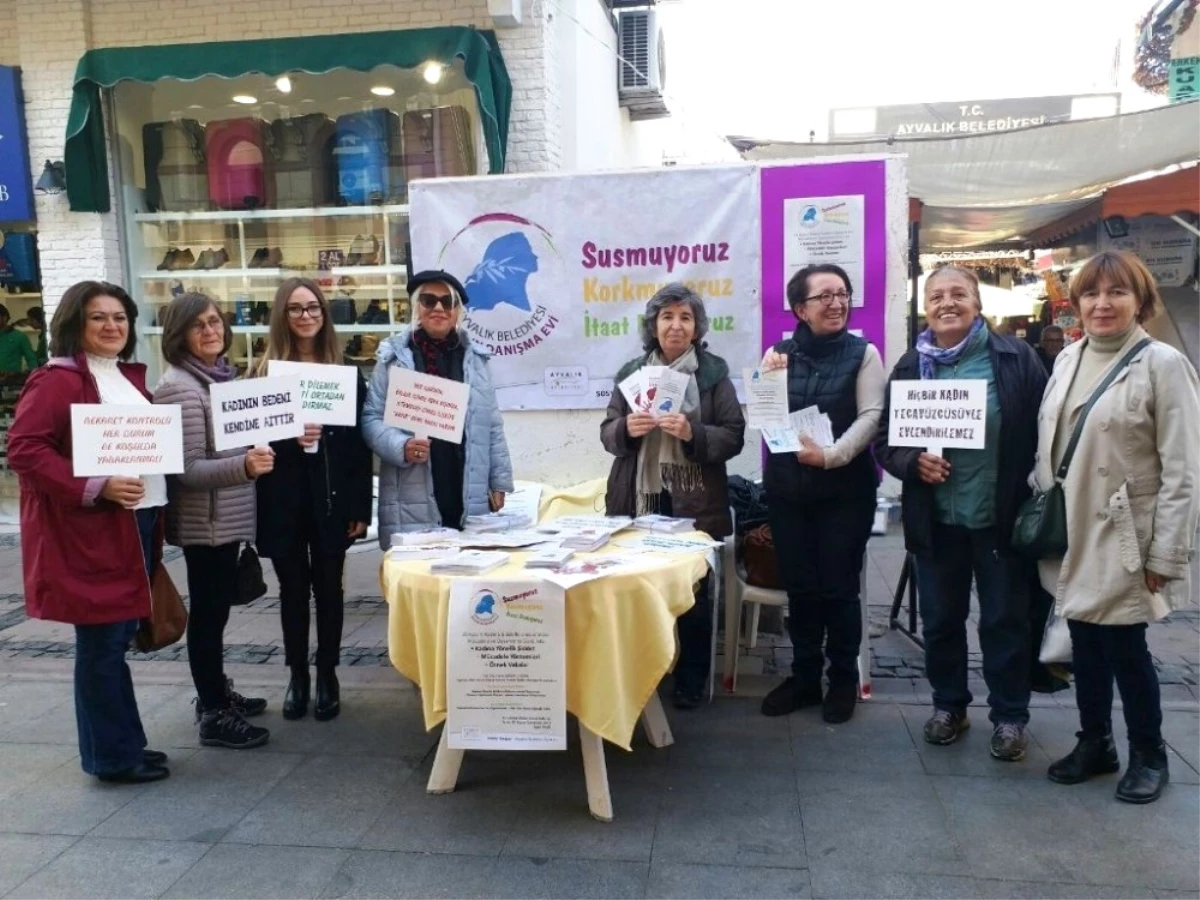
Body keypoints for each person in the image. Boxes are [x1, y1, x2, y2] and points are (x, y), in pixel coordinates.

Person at [1036, 251, 1200, 804]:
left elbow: (1184, 470)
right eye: (1090, 294)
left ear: (1140, 301)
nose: (1102, 304)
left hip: (1127, 535)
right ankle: (1095, 743)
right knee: (1083, 642)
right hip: (1073, 529)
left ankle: (1150, 754)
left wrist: (1167, 555)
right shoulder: (1067, 358)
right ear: (1076, 303)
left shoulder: (1163, 364)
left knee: (1126, 646)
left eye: (1116, 293)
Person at [875, 266, 1046, 761]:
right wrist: (913, 462)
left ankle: (1010, 715)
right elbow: (887, 443)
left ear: (977, 303)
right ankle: (949, 705)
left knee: (1003, 620)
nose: (946, 303)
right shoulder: (910, 365)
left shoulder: (1016, 359)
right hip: (937, 522)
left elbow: (1044, 429)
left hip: (998, 515)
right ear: (924, 306)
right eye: (936, 296)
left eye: (958, 294)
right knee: (941, 619)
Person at [8, 281, 170, 783]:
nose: (111, 326)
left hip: (134, 523)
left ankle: (125, 744)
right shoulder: (55, 382)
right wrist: (96, 485)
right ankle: (111, 758)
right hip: (94, 531)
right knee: (101, 646)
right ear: (75, 324)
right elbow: (25, 451)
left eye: (119, 317)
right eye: (98, 317)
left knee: (115, 640)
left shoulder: (126, 377)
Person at [600, 283, 745, 710]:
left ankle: (690, 680)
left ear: (697, 326)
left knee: (693, 593)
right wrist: (625, 429)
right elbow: (607, 431)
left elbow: (734, 435)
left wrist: (693, 433)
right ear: (654, 326)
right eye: (667, 317)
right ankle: (641, 671)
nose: (676, 326)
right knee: (635, 588)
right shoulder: (631, 373)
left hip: (694, 500)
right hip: (638, 496)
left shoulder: (713, 374)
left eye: (685, 317)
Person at [757, 264, 884, 723]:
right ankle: (805, 678)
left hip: (844, 492)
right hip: (789, 492)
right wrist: (767, 376)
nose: (837, 303)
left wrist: (830, 456)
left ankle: (843, 680)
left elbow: (871, 416)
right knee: (802, 589)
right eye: (825, 296)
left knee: (838, 589)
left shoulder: (863, 353)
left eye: (843, 294)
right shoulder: (778, 354)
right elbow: (767, 417)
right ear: (800, 309)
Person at [154, 292, 272, 749]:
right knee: (208, 617)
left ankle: (215, 694)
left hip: (223, 520)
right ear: (179, 335)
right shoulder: (182, 389)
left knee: (216, 614)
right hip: (206, 524)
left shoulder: (216, 379)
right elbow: (185, 469)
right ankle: (213, 713)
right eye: (198, 325)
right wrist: (244, 466)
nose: (211, 331)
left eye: (215, 322)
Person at [253, 277, 373, 721]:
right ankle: (297, 674)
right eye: (297, 309)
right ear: (283, 316)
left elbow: (359, 447)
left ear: (324, 316)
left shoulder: (344, 374)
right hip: (282, 499)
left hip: (331, 501)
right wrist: (288, 435)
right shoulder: (263, 374)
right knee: (291, 592)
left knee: (329, 590)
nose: (306, 316)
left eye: (314, 308)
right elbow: (250, 443)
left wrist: (361, 507)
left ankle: (328, 673)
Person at [362, 270, 512, 542]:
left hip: (466, 486)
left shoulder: (476, 360)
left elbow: (491, 424)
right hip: (413, 490)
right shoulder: (393, 359)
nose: (439, 308)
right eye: (429, 300)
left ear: (458, 310)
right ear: (417, 307)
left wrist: (499, 481)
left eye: (448, 301)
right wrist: (401, 446)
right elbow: (371, 419)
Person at [0, 303, 37, 376]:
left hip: (12, 383)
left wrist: (34, 377)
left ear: (4, 317)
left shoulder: (19, 336)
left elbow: (31, 360)